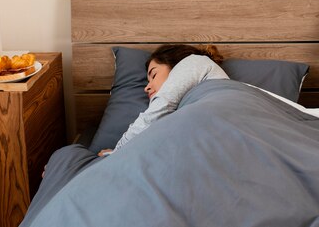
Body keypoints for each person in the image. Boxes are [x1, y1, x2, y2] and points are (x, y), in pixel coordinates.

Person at [98, 44, 229, 156]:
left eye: (154, 75)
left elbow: (155, 113)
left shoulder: (193, 62)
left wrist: (118, 152)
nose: (146, 87)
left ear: (177, 66)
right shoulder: (187, 107)